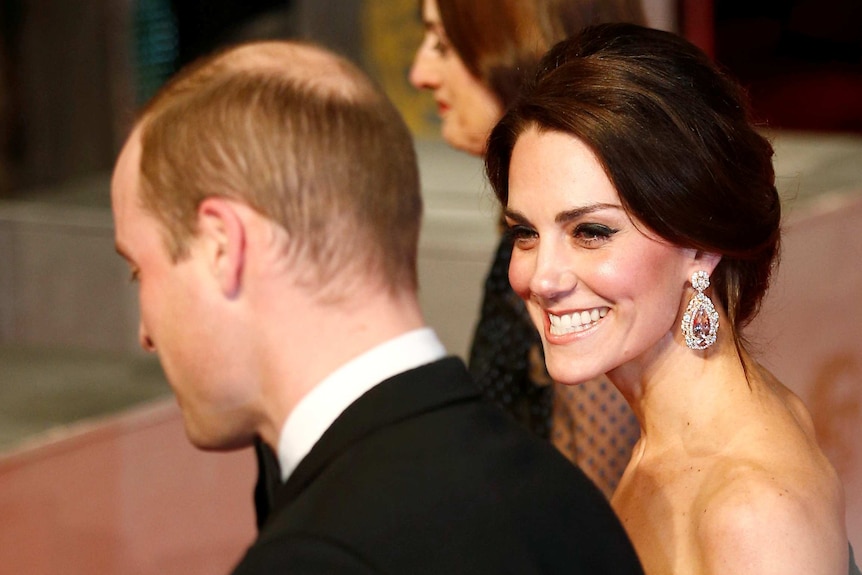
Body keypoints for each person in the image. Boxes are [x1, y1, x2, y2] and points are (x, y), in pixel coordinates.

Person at [110, 39, 645, 574]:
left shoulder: (317, 557)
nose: (145, 332)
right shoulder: (570, 499)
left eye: (140, 270)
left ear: (222, 246)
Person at [485, 22, 860, 575]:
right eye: (525, 233)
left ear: (700, 246)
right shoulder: (688, 433)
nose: (542, 278)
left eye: (591, 232)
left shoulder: (751, 514)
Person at [409, 0, 644, 497]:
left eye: (443, 44)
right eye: (526, 235)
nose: (420, 73)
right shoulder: (526, 250)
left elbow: (599, 524)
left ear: (515, 44)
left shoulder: (588, 276)